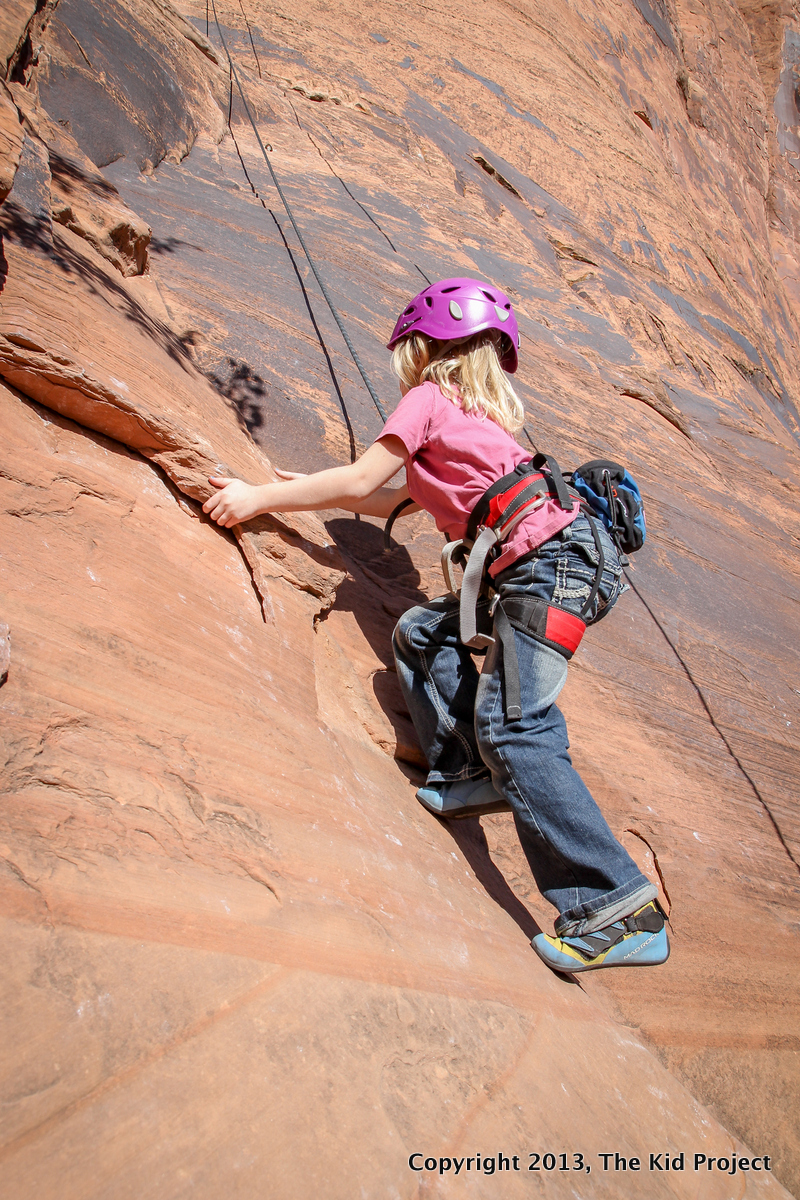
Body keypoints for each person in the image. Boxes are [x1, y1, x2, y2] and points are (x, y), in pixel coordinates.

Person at [203, 277, 669, 974]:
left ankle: (618, 907)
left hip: (547, 570)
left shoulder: (426, 399)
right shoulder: (478, 424)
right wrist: (300, 486)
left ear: (419, 347)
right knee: (423, 631)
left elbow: (363, 484)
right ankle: (468, 774)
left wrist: (259, 497)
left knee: (518, 726)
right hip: (559, 567)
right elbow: (390, 494)